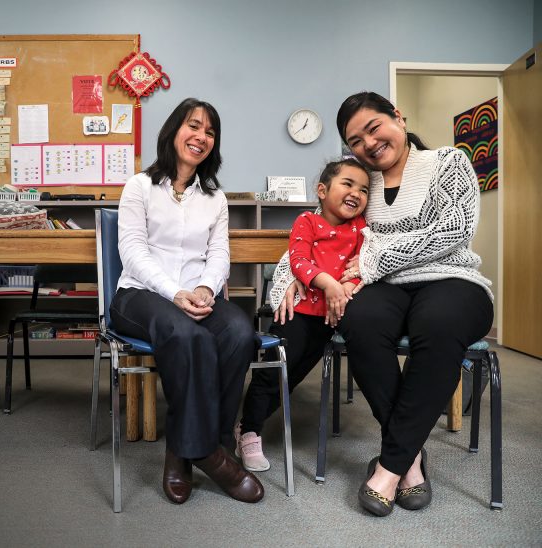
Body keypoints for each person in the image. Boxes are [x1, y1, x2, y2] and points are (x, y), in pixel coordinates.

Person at [271, 91, 493, 516]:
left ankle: (389, 467)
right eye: (356, 140)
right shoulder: (359, 181)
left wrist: (376, 256)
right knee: (359, 321)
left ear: (398, 117)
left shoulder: (447, 162)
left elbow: (457, 227)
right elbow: (315, 237)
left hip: (452, 278)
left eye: (373, 128)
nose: (368, 144)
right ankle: (411, 460)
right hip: (382, 287)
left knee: (440, 324)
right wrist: (286, 279)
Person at [110, 98, 264, 504]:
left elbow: (219, 255)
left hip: (196, 296)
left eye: (210, 132)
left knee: (238, 331)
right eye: (194, 126)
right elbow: (133, 251)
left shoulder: (215, 198)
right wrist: (174, 292)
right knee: (185, 334)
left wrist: (205, 289)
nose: (201, 137)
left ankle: (194, 446)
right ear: (174, 130)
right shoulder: (139, 186)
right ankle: (205, 455)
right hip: (140, 296)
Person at [236, 158, 370, 471]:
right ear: (322, 190)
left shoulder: (360, 227)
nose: (356, 193)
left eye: (363, 189)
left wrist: (348, 285)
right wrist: (330, 284)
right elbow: (299, 261)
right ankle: (249, 429)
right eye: (348, 184)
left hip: (328, 321)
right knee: (273, 373)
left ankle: (250, 424)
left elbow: (363, 264)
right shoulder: (306, 222)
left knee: (292, 378)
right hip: (297, 313)